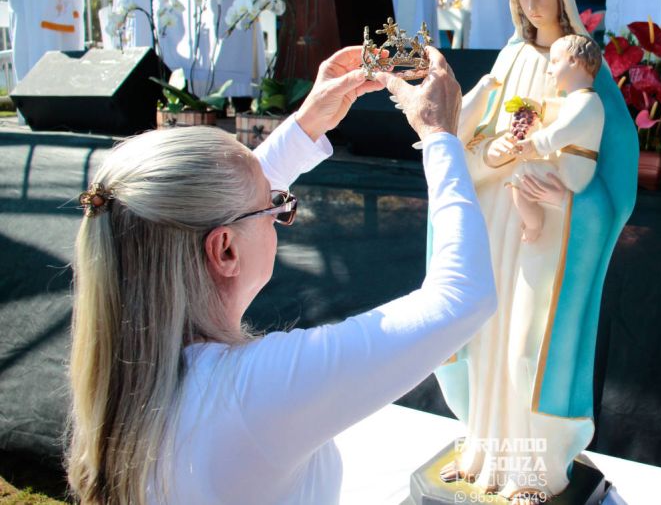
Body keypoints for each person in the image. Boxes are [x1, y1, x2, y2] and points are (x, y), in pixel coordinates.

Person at [65, 45, 496, 505]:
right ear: (224, 250)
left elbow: (218, 207)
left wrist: (308, 123)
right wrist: (439, 138)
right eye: (275, 209)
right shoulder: (254, 390)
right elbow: (461, 298)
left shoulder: (130, 361)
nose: (279, 212)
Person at [435, 0, 636, 501]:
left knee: (529, 347)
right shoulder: (510, 58)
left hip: (550, 227)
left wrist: (570, 199)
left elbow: (610, 179)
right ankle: (484, 452)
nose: (532, 6)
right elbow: (477, 129)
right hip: (497, 212)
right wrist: (484, 150)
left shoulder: (585, 71)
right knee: (485, 335)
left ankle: (537, 471)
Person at [508, 33, 604, 243]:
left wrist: (535, 144)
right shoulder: (579, 99)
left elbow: (564, 129)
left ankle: (533, 225)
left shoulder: (587, 102)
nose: (548, 70)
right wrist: (538, 110)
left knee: (520, 174)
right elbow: (559, 113)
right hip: (567, 166)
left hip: (573, 173)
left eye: (554, 61)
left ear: (573, 61)